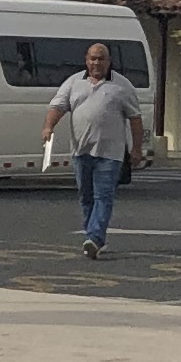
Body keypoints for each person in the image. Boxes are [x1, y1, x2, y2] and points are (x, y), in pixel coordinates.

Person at [45, 41, 146, 260]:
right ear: (86, 60)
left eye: (101, 59)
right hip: (81, 150)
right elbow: (58, 106)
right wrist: (49, 127)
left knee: (103, 196)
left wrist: (137, 149)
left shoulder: (122, 86)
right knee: (86, 196)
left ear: (109, 61)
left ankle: (95, 237)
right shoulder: (74, 82)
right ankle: (94, 235)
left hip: (110, 153)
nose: (96, 63)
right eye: (93, 58)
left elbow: (135, 119)